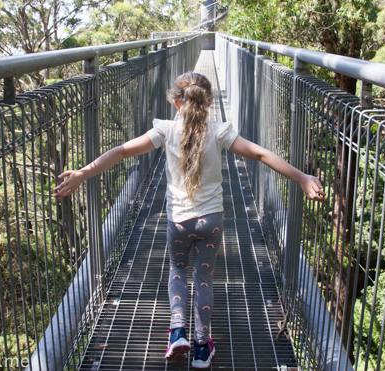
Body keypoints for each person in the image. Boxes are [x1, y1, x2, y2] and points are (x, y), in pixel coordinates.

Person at [53, 72, 325, 369]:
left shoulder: (165, 130)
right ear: (209, 101)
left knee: (178, 269)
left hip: (179, 222)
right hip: (211, 221)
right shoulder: (220, 131)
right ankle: (201, 347)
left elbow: (121, 152)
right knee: (204, 277)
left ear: (175, 101)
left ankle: (178, 332)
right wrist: (301, 177)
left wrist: (82, 173)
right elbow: (260, 154)